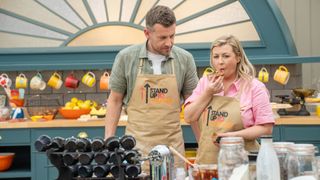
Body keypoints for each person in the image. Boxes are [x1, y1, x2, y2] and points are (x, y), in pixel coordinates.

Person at [105, 5, 198, 170]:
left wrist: (203, 146)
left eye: (172, 36)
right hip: (136, 150)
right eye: (162, 37)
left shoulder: (185, 59)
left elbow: (194, 106)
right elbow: (115, 100)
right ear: (147, 33)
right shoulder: (126, 57)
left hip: (173, 151)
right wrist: (108, 143)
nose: (169, 43)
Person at [184, 35, 274, 164]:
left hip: (242, 163)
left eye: (226, 56)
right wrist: (208, 93)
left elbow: (266, 128)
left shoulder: (254, 87)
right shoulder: (205, 83)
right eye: (216, 57)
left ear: (238, 57)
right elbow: (189, 116)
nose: (220, 61)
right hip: (208, 164)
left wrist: (232, 137)